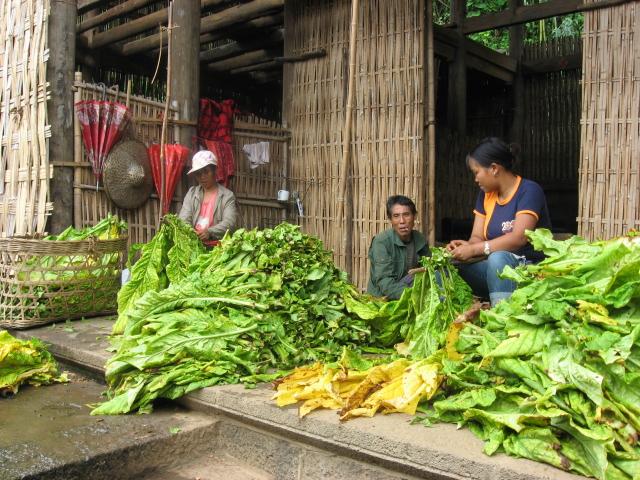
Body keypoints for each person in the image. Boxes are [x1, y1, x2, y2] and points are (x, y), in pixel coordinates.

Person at [446, 137, 551, 306]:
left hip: (530, 273)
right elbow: (477, 238)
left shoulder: (529, 190)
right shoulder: (485, 195)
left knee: (498, 258)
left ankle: (501, 318)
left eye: (476, 172)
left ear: (494, 169)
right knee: (449, 266)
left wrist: (474, 249)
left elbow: (518, 238)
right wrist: (465, 248)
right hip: (496, 272)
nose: (475, 179)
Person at [367, 195, 429, 300]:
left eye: (406, 214)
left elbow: (429, 269)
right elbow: (385, 282)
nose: (402, 221)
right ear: (390, 219)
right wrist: (413, 297)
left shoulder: (420, 239)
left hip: (408, 291)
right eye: (396, 216)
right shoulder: (381, 242)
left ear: (414, 216)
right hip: (382, 299)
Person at [179, 150, 238, 247]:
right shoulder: (192, 193)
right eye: (198, 173)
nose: (202, 177)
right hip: (193, 246)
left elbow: (229, 222)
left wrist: (210, 232)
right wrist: (192, 233)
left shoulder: (227, 196)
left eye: (206, 171)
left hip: (217, 248)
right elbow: (183, 219)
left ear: (215, 170)